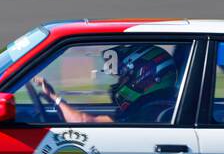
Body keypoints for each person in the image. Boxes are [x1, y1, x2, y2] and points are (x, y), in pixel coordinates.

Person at [35, 43, 180, 124]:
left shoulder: (149, 113)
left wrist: (54, 98)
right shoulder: (148, 106)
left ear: (144, 76)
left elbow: (85, 122)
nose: (119, 82)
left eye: (124, 77)